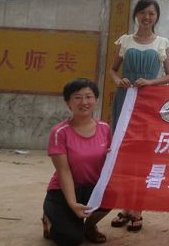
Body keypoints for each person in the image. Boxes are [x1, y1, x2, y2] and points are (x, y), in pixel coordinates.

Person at [108, 0, 169, 232]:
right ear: (136, 15)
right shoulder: (125, 41)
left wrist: (150, 82)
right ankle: (125, 208)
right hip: (124, 100)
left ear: (156, 17)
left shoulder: (162, 43)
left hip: (148, 104)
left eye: (151, 13)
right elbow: (112, 70)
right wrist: (119, 81)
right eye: (143, 12)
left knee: (143, 155)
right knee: (124, 154)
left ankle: (138, 210)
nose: (147, 17)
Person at [42, 78, 112, 245]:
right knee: (71, 239)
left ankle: (89, 226)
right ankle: (48, 219)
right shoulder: (60, 132)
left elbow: (110, 161)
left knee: (114, 194)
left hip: (91, 188)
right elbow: (63, 171)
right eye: (77, 97)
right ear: (68, 103)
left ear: (95, 99)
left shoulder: (105, 128)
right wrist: (73, 204)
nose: (84, 102)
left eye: (88, 96)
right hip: (64, 190)